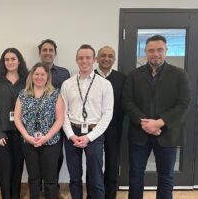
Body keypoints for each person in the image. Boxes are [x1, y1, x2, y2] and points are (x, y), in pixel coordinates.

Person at [123, 35, 191, 199]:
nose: (155, 54)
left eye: (159, 50)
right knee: (135, 175)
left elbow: (183, 104)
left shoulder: (179, 74)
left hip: (167, 134)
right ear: (145, 52)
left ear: (166, 51)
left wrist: (159, 123)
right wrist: (145, 123)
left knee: (166, 177)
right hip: (139, 134)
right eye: (151, 50)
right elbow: (127, 102)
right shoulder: (133, 75)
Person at [60, 44, 113, 199]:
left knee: (96, 177)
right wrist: (70, 135)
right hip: (72, 133)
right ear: (76, 60)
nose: (84, 61)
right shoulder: (67, 84)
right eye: (81, 58)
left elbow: (107, 114)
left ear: (94, 60)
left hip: (94, 133)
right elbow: (63, 114)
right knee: (75, 177)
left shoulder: (104, 84)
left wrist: (89, 137)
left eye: (88, 58)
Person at [14, 62, 65, 199]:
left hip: (50, 143)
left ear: (47, 76)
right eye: (36, 74)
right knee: (34, 178)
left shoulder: (55, 94)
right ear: (32, 76)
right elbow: (17, 118)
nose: (39, 77)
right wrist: (27, 136)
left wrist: (46, 137)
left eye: (43, 74)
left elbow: (60, 119)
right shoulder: (23, 94)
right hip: (28, 143)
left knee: (50, 180)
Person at [0, 48, 28, 199]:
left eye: (13, 59)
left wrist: (27, 132)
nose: (10, 62)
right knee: (5, 169)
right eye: (7, 59)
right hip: (2, 132)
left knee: (18, 167)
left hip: (21, 132)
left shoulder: (26, 80)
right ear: (3, 62)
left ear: (19, 61)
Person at [38, 39, 70, 195]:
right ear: (40, 53)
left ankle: (53, 188)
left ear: (55, 53)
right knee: (37, 157)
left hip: (59, 122)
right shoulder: (33, 72)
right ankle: (38, 188)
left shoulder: (64, 73)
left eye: (51, 50)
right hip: (37, 123)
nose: (48, 52)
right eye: (45, 50)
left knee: (57, 157)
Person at [94, 46, 126, 199]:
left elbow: (125, 103)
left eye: (110, 56)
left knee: (112, 164)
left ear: (114, 59)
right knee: (94, 164)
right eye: (103, 55)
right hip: (93, 129)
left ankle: (110, 196)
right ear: (97, 59)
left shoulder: (122, 78)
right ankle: (93, 195)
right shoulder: (90, 76)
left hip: (114, 128)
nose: (106, 58)